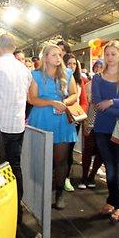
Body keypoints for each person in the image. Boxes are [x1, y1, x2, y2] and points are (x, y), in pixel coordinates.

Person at [0, 34, 32, 221]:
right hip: (18, 125)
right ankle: (17, 205)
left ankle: (1, 206)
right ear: (14, 47)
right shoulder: (24, 69)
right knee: (15, 165)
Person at [27, 44, 78, 209]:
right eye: (54, 55)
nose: (58, 57)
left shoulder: (68, 73)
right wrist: (51, 102)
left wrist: (63, 103)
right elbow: (32, 99)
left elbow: (74, 94)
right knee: (42, 158)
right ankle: (41, 192)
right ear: (45, 57)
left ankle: (60, 193)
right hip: (42, 118)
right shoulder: (35, 75)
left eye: (59, 54)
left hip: (62, 119)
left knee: (61, 160)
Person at [91, 40, 119, 223]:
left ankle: (112, 202)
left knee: (118, 167)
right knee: (110, 167)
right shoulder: (97, 79)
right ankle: (118, 206)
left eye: (113, 54)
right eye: (107, 54)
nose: (109, 58)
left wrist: (112, 102)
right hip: (102, 128)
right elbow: (97, 103)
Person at [63, 53, 89, 192]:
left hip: (75, 120)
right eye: (69, 64)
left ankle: (66, 178)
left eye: (74, 64)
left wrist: (78, 116)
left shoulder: (80, 82)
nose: (72, 66)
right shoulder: (59, 79)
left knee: (69, 150)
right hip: (61, 117)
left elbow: (84, 101)